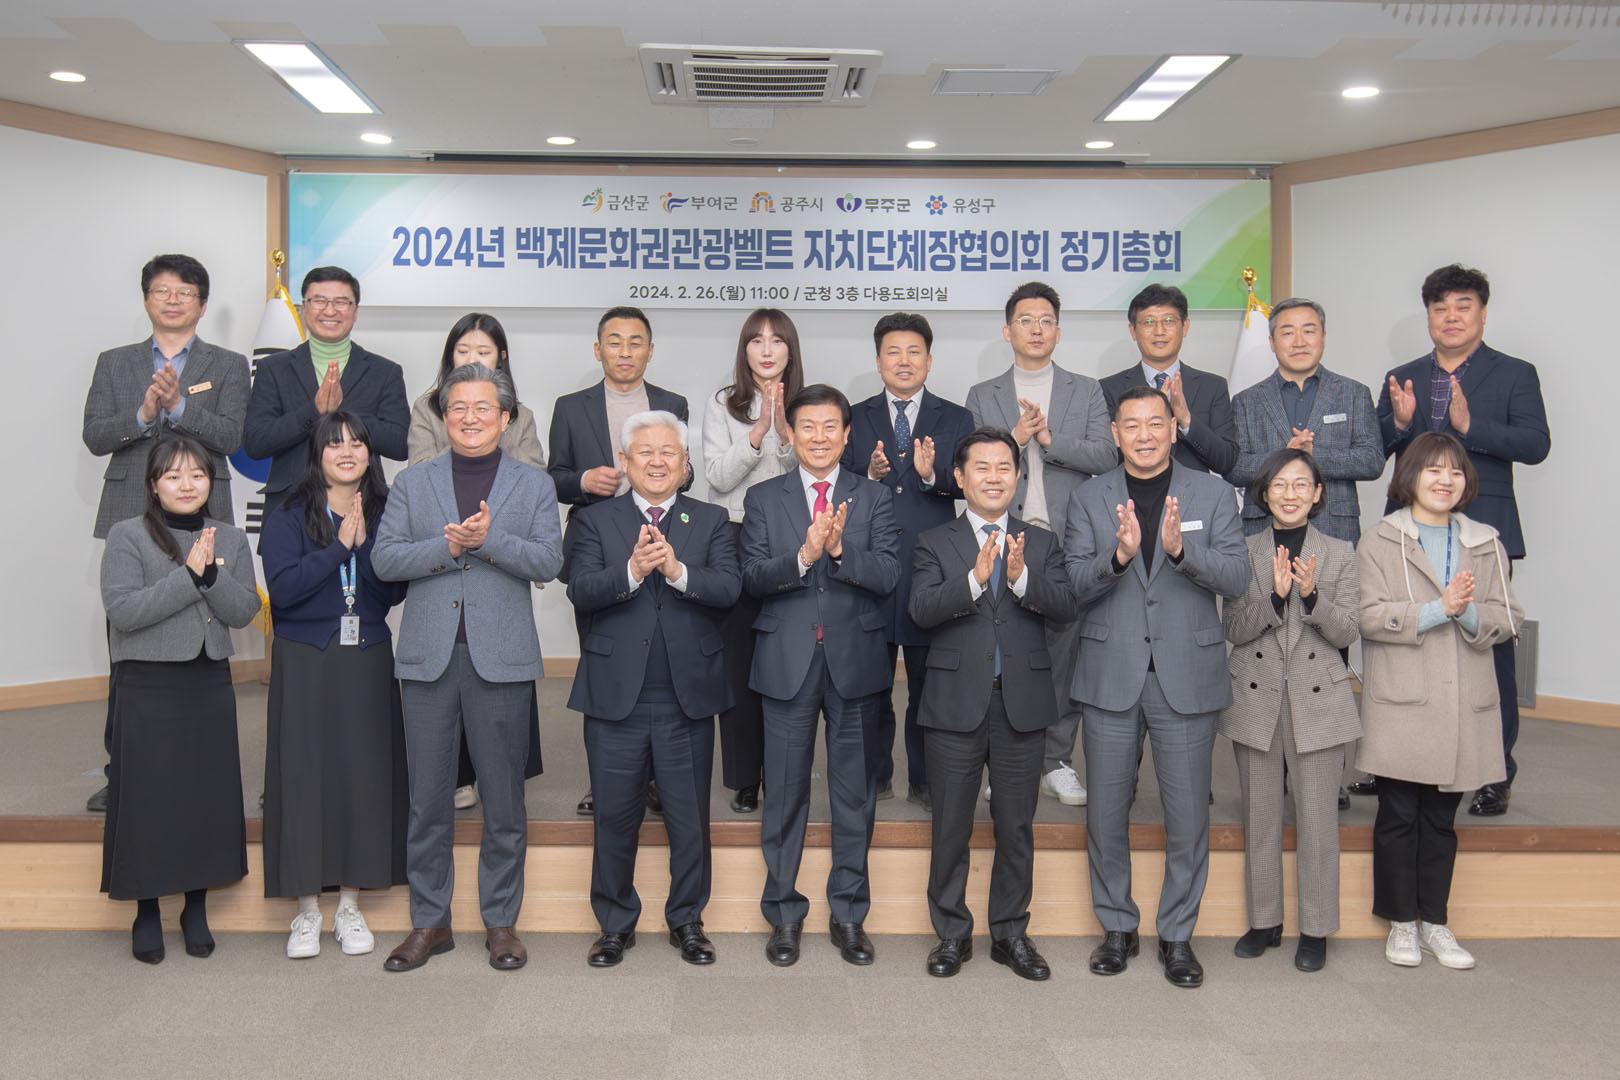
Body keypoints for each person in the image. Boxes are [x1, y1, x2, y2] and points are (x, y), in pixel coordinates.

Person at [372, 363, 564, 973]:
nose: (470, 417)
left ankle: (501, 923)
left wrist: (488, 542)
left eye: (484, 407)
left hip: (501, 659)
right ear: (443, 415)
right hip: (428, 657)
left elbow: (548, 561)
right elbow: (385, 559)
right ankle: (429, 922)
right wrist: (448, 547)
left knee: (503, 801)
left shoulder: (533, 485)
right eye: (459, 407)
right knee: (427, 802)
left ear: (505, 418)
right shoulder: (412, 482)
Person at [1064, 386, 1249, 989]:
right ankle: (1117, 927)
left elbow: (1237, 576)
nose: (1144, 434)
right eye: (1131, 425)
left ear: (1173, 427)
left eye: (1155, 423)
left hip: (1186, 676)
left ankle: (1177, 934)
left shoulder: (1214, 493)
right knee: (1105, 814)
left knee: (1188, 815)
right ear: (1115, 434)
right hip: (1110, 672)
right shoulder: (1090, 496)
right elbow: (1073, 584)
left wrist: (1181, 551)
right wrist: (1118, 560)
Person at [565, 411, 740, 968]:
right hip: (615, 695)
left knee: (689, 821)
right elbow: (580, 588)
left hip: (686, 696)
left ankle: (687, 920)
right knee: (614, 819)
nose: (658, 461)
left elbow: (728, 587)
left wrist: (679, 571)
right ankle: (615, 924)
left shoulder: (711, 519)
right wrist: (634, 570)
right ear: (624, 461)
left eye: (669, 452)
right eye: (646, 452)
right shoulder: (594, 520)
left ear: (686, 463)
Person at [1376, 264, 1549, 818]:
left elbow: (1536, 444)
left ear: (1482, 313)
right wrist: (1400, 424)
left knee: (1489, 647)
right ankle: (1396, 760)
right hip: (1408, 531)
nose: (1451, 317)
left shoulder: (1515, 373)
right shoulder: (1403, 375)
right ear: (1428, 315)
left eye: (1463, 306)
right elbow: (1375, 448)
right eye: (1440, 308)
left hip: (1481, 528)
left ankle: (1495, 771)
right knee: (1404, 644)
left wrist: (1472, 428)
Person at [81, 253, 251, 813]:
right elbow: (94, 435)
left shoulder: (227, 365)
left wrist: (178, 407)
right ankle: (123, 769)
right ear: (146, 299)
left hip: (203, 512)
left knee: (199, 626)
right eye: (162, 290)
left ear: (202, 304)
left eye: (185, 292)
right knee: (130, 642)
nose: (173, 300)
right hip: (130, 508)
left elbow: (230, 437)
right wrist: (141, 413)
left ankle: (196, 760)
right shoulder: (115, 363)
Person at [909, 428, 1079, 980]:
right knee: (950, 827)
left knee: (1016, 827)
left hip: (1021, 706)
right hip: (954, 704)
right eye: (981, 467)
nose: (993, 477)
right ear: (960, 478)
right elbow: (921, 610)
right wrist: (974, 581)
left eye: (1004, 467)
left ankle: (1010, 934)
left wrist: (1021, 578)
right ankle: (952, 935)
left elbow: (1065, 607)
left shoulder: (1041, 543)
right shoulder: (934, 541)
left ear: (1018, 476)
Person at [741, 384, 900, 968]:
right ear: (791, 433)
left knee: (854, 795)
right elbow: (752, 577)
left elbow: (887, 574)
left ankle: (849, 914)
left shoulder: (873, 497)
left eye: (831, 426)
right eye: (807, 426)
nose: (819, 437)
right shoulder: (764, 497)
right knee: (784, 794)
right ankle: (783, 913)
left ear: (847, 433)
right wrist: (805, 556)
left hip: (854, 661)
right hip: (786, 661)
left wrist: (837, 553)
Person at [1358, 432, 1521, 970]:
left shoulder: (1485, 541)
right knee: (1398, 816)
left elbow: (1508, 618)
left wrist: (1466, 611)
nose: (1445, 480)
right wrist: (1436, 610)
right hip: (1403, 703)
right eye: (1433, 470)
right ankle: (1401, 923)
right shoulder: (1380, 539)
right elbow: (1367, 616)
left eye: (1454, 471)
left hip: (1461, 703)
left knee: (1442, 821)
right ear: (1410, 476)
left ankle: (1435, 922)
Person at [99, 436, 261, 963]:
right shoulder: (127, 535)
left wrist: (211, 574)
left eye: (197, 475)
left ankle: (195, 906)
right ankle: (146, 909)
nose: (187, 485)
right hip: (148, 684)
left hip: (207, 680)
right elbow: (125, 612)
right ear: (153, 485)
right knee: (149, 800)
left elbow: (243, 611)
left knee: (204, 798)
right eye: (173, 476)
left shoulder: (230, 538)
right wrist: (190, 577)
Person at [259, 412, 408, 960]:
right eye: (334, 443)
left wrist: (364, 549)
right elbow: (284, 591)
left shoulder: (387, 511)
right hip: (304, 659)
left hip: (366, 656)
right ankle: (305, 911)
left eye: (357, 443)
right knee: (303, 776)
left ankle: (349, 905)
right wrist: (338, 549)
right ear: (317, 454)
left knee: (361, 777)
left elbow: (391, 594)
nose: (347, 452)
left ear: (371, 453)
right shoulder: (288, 513)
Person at [966, 282, 1116, 809]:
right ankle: (1008, 761)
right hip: (1003, 533)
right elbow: (973, 460)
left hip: (1068, 536)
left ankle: (1055, 761)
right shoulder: (983, 393)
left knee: (1064, 650)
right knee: (1005, 649)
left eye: (1046, 320)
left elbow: (1106, 456)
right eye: (1026, 320)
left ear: (1058, 330)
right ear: (1008, 331)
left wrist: (1050, 441)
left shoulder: (1086, 390)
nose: (1036, 329)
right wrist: (1015, 437)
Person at [1220, 449, 1361, 973]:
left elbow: (1348, 631)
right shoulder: (1242, 550)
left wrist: (1312, 597)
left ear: (1318, 493)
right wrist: (1276, 600)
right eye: (1279, 484)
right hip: (1256, 697)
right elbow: (1234, 628)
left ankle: (1316, 928)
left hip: (1319, 699)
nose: (1290, 493)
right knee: (1260, 817)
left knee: (1318, 822)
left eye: (1301, 484)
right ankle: (1265, 921)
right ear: (1264, 493)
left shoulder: (1341, 553)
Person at [549, 306, 688, 817]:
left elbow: (686, 472)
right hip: (597, 544)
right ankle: (604, 781)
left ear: (650, 351)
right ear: (598, 349)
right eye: (615, 341)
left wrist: (662, 475)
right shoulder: (570, 407)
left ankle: (656, 780)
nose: (625, 352)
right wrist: (584, 481)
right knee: (603, 668)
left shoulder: (673, 403)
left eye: (635, 342)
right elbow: (554, 476)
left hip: (664, 542)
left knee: (662, 666)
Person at [407, 312, 545, 811]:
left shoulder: (520, 414)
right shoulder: (428, 407)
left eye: (483, 352)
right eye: (463, 351)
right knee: (429, 787)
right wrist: (456, 530)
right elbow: (422, 475)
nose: (473, 359)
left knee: (504, 780)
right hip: (440, 567)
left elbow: (530, 478)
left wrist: (490, 527)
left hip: (500, 579)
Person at [844, 312, 974, 811]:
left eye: (913, 351)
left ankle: (924, 779)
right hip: (871, 564)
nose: (904, 361)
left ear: (929, 360)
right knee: (871, 685)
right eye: (893, 352)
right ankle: (874, 776)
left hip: (930, 566)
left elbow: (965, 485)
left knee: (928, 684)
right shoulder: (854, 416)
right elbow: (838, 481)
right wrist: (869, 476)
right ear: (878, 361)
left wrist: (930, 476)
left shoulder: (955, 417)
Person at [701, 308, 802, 813]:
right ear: (744, 350)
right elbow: (717, 477)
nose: (766, 350)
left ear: (790, 350)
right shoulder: (723, 403)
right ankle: (745, 777)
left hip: (791, 540)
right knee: (738, 662)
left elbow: (810, 472)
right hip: (735, 536)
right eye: (756, 340)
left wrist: (786, 431)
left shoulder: (806, 404)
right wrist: (759, 430)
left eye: (776, 340)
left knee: (788, 662)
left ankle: (783, 772)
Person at [243, 265, 410, 522]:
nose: (330, 311)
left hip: (363, 510)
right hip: (289, 511)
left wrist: (344, 413)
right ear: (303, 308)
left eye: (341, 302)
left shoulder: (384, 372)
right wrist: (314, 411)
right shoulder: (273, 369)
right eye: (319, 301)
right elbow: (256, 442)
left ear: (355, 311)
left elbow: (400, 444)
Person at [1228, 299, 1383, 542]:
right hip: (1263, 529)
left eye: (1308, 331)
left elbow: (1372, 460)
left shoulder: (1354, 393)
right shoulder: (1246, 401)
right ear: (1272, 342)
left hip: (1335, 529)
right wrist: (1283, 459)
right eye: (1288, 333)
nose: (1299, 342)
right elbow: (1235, 467)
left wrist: (1314, 455)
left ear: (1323, 337)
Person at [1100, 283, 1240, 477]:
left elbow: (1227, 461)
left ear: (1185, 327)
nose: (1159, 331)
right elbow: (1106, 458)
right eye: (1148, 322)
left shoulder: (1212, 387)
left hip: (1194, 494)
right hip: (1131, 493)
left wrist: (1186, 421)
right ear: (1133, 331)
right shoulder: (1108, 389)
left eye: (1168, 321)